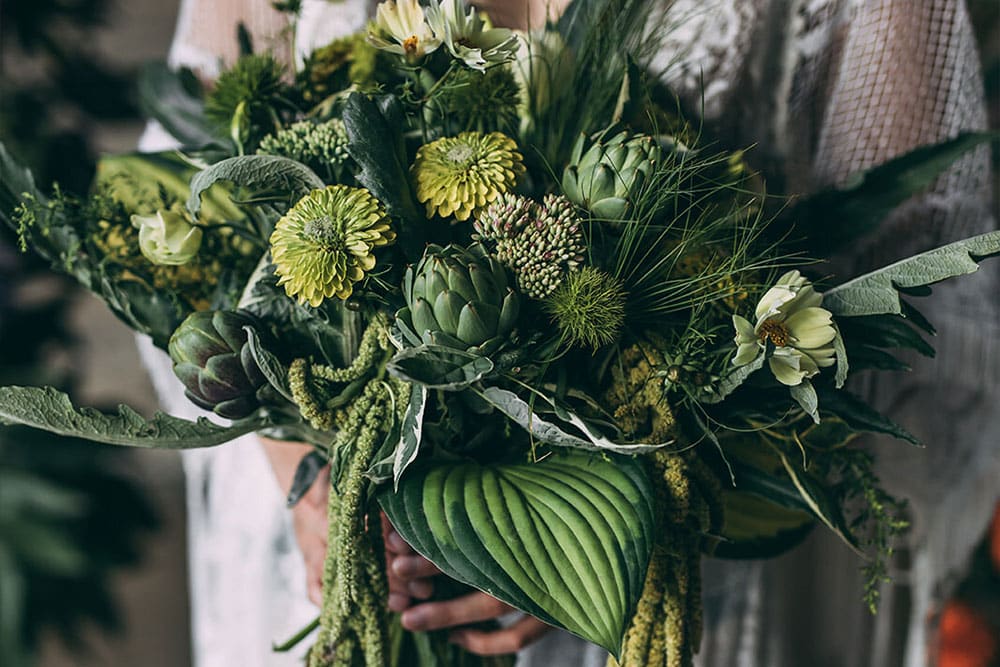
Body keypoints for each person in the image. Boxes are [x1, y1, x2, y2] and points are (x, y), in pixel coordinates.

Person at [138, 1, 999, 665]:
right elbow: (178, 225)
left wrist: (630, 522)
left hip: (678, 598)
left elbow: (928, 319)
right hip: (328, 583)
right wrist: (315, 478)